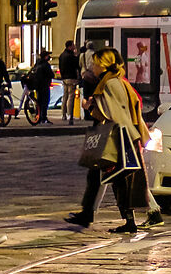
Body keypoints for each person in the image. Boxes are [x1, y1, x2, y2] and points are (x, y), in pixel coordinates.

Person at [66, 48, 161, 232]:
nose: (92, 66)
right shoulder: (115, 81)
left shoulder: (109, 83)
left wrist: (89, 106)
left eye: (95, 63)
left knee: (120, 180)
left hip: (117, 138)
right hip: (123, 137)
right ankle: (90, 213)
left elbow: (112, 113)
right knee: (111, 178)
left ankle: (131, 220)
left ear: (103, 65)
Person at [27, 48, 56, 126]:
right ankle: (43, 118)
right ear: (45, 57)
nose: (49, 57)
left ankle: (38, 117)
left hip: (38, 86)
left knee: (39, 102)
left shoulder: (37, 64)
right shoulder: (46, 65)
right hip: (45, 85)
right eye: (48, 55)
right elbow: (51, 75)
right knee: (45, 102)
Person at [58, 41, 84, 123]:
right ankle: (70, 115)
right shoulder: (71, 56)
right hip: (71, 77)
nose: (74, 46)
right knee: (71, 96)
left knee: (65, 96)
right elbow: (76, 65)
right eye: (73, 45)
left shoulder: (62, 55)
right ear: (70, 46)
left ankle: (63, 114)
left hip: (64, 78)